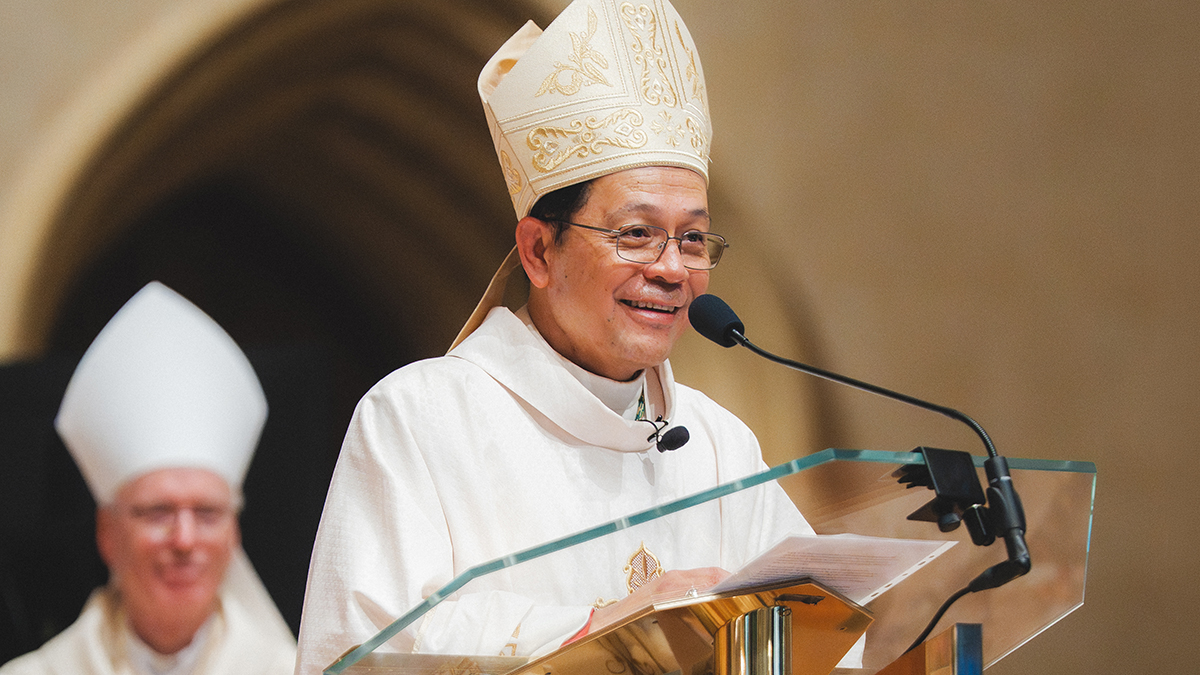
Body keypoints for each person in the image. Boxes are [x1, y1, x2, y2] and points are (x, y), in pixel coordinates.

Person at [293, 0, 814, 672]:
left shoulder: (721, 449)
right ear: (539, 251)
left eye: (692, 238)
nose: (671, 268)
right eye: (636, 233)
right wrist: (604, 628)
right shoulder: (420, 419)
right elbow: (366, 650)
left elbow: (820, 643)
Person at [0, 282, 296, 675]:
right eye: (158, 512)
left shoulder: (290, 671)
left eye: (208, 513)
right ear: (106, 533)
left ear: (234, 535)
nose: (185, 540)